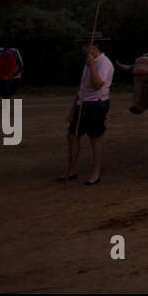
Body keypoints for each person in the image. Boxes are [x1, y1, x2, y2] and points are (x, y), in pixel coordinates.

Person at [60, 32, 114, 186]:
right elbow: (82, 88)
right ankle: (71, 171)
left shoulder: (105, 63)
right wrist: (72, 109)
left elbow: (97, 85)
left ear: (94, 46)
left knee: (95, 138)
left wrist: (92, 66)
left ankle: (95, 173)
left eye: (85, 45)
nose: (82, 48)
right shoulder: (88, 61)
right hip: (82, 103)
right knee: (72, 135)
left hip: (97, 104)